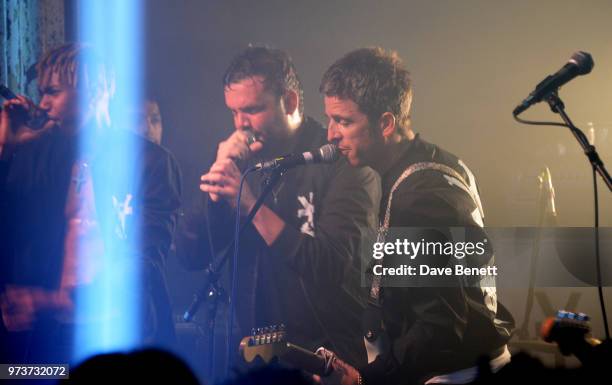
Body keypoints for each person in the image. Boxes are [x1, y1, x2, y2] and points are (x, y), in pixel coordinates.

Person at [318, 47, 514, 385]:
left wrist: (368, 377)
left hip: (453, 375)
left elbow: (439, 328)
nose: (331, 134)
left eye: (344, 121)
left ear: (385, 123)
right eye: (330, 119)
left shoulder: (418, 197)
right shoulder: (441, 164)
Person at [178, 46, 380, 367]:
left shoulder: (340, 157)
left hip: (326, 354)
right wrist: (214, 195)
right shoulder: (244, 166)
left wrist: (249, 207)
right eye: (234, 112)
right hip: (260, 354)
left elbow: (334, 266)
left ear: (290, 101)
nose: (241, 124)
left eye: (253, 110)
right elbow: (189, 256)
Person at [0, 43, 181, 363]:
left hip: (121, 338)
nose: (43, 103)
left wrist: (51, 300)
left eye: (54, 91)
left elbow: (142, 261)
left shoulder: (148, 162)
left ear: (95, 89)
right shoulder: (37, 157)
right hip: (44, 343)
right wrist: (6, 147)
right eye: (41, 92)